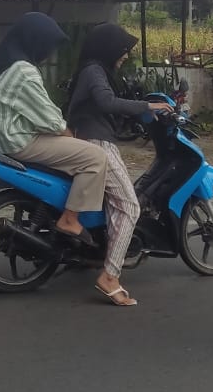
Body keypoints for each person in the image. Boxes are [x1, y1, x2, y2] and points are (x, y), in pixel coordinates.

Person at [0, 12, 109, 247]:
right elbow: (50, 120)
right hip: (18, 142)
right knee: (95, 157)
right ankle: (70, 218)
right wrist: (72, 138)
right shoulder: (23, 71)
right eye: (49, 46)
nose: (50, 53)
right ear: (35, 41)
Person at [65, 23, 171, 307]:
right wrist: (147, 107)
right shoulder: (94, 71)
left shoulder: (91, 70)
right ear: (109, 48)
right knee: (130, 205)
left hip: (91, 138)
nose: (124, 56)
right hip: (97, 144)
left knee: (115, 204)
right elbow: (107, 101)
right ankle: (110, 275)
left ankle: (104, 253)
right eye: (122, 50)